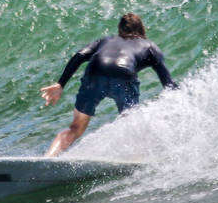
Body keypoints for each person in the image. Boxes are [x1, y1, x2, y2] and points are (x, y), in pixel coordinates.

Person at [40, 12, 177, 157]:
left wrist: (61, 84)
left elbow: (80, 55)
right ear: (142, 30)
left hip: (95, 71)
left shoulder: (105, 40)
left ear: (120, 29)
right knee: (131, 125)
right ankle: (136, 162)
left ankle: (47, 159)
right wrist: (179, 98)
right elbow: (168, 83)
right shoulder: (149, 46)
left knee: (75, 128)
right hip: (123, 77)